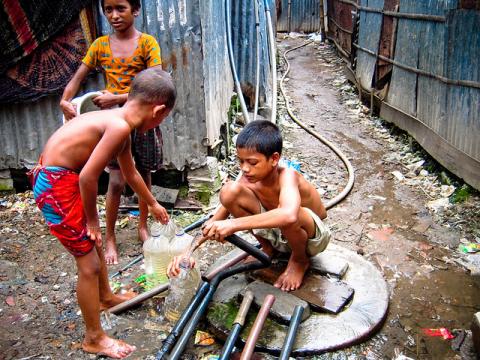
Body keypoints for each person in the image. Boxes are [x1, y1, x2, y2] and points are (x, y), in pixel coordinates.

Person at [31, 67, 176, 358]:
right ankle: (94, 337)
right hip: (56, 183)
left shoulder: (120, 123)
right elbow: (87, 178)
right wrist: (95, 223)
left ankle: (106, 297)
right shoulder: (120, 127)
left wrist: (154, 204)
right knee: (89, 264)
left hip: (61, 179)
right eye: (164, 118)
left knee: (92, 247)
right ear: (158, 110)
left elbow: (131, 174)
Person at [168, 120, 331, 292]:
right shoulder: (246, 179)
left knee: (292, 212)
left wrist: (232, 225)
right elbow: (215, 220)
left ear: (274, 159)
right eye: (241, 161)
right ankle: (268, 249)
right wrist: (186, 253)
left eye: (252, 163)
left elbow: (289, 215)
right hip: (279, 233)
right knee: (228, 192)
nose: (245, 168)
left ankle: (299, 260)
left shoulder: (288, 176)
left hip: (310, 239)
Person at [60, 0, 164, 265]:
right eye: (109, 10)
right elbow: (77, 77)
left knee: (144, 173)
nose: (114, 15)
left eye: (121, 8)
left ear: (136, 10)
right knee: (116, 182)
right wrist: (65, 99)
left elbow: (156, 87)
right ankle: (109, 238)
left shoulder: (147, 44)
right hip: (114, 123)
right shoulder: (100, 46)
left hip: (141, 119)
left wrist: (116, 98)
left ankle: (143, 226)